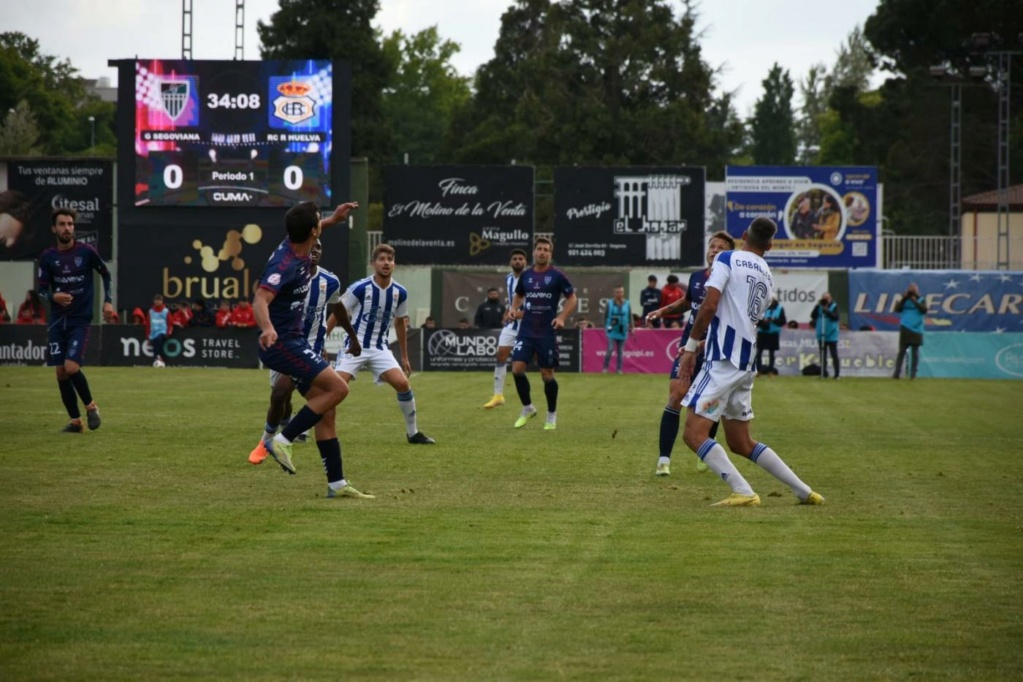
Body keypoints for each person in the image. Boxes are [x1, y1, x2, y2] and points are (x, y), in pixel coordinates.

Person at [678, 217, 824, 507]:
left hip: (723, 361)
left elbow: (710, 305)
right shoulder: (768, 276)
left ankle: (743, 491)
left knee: (694, 434)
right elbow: (743, 318)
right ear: (769, 246)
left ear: (743, 235)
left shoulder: (726, 258)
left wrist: (691, 347)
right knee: (741, 443)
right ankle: (804, 490)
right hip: (746, 362)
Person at [254, 200, 375, 500]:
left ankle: (336, 483)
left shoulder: (298, 244)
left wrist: (334, 218)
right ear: (311, 231)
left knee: (327, 408)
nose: (321, 227)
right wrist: (268, 328)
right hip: (283, 344)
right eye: (319, 222)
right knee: (339, 389)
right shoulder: (284, 265)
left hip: (295, 342)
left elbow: (314, 228)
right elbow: (259, 300)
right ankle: (282, 439)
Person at [250, 239, 355, 464]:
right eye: (312, 246)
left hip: (310, 351)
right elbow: (263, 297)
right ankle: (274, 436)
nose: (315, 250)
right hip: (286, 346)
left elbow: (338, 310)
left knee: (321, 402)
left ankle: (277, 440)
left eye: (320, 247)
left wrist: (352, 338)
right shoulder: (289, 274)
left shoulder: (330, 281)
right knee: (279, 397)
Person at [646, 231, 735, 477]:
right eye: (711, 246)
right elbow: (688, 303)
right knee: (676, 396)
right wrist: (661, 312)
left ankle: (705, 449)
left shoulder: (732, 282)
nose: (714, 250)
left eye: (720, 248)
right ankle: (664, 460)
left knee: (710, 404)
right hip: (688, 346)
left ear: (728, 254)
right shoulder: (697, 277)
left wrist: (706, 342)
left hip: (715, 349)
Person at [332, 243, 435, 445]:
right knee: (334, 388)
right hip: (355, 346)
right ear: (373, 264)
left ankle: (413, 433)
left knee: (403, 384)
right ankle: (305, 430)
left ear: (394, 264)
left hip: (379, 348)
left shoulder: (400, 292)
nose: (386, 263)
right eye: (382, 259)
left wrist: (404, 357)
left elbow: (399, 322)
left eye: (390, 259)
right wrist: (321, 339)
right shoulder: (359, 287)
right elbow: (337, 312)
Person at [36, 207, 115, 433]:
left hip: (79, 320)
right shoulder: (48, 257)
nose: (67, 228)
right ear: (54, 228)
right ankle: (75, 421)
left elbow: (106, 273)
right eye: (62, 224)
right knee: (60, 372)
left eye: (70, 224)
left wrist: (108, 301)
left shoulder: (86, 252)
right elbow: (41, 292)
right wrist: (53, 296)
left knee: (71, 368)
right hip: (56, 320)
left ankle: (91, 407)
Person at [507, 237, 577, 430]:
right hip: (527, 330)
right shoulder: (527, 275)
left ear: (550, 254)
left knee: (547, 375)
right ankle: (528, 408)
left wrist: (562, 317)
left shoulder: (557, 276)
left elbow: (572, 299)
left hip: (546, 331)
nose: (542, 252)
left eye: (546, 249)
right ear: (534, 252)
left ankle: (551, 415)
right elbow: (519, 294)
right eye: (539, 249)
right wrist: (514, 309)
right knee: (517, 369)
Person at [483, 248, 527, 409]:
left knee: (532, 363)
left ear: (525, 262)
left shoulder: (530, 278)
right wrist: (508, 313)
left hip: (527, 325)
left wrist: (521, 313)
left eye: (521, 259)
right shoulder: (508, 278)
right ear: (510, 262)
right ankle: (498, 395)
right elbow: (512, 301)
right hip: (512, 325)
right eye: (515, 259)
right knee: (501, 355)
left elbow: (533, 302)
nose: (517, 261)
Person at [893, 283, 926, 380]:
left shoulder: (921, 300)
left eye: (914, 290)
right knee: (901, 351)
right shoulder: (904, 300)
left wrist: (915, 300)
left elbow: (924, 310)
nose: (912, 292)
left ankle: (913, 374)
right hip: (905, 327)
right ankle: (896, 373)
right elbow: (897, 309)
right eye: (911, 290)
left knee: (915, 353)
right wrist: (904, 298)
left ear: (917, 291)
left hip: (917, 328)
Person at [602, 286, 632, 374]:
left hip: (622, 329)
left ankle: (619, 369)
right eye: (617, 292)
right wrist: (605, 327)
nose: (619, 294)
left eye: (621, 292)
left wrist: (631, 327)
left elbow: (629, 316)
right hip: (612, 329)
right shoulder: (610, 303)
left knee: (620, 351)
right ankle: (605, 368)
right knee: (610, 349)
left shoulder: (627, 303)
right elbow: (605, 316)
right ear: (614, 293)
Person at [811, 292, 840, 379]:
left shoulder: (834, 306)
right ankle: (823, 373)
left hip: (831, 333)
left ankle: (836, 374)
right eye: (824, 298)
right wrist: (817, 306)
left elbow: (836, 317)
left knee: (834, 354)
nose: (825, 300)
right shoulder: (819, 306)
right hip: (821, 333)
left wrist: (827, 310)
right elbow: (813, 316)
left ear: (830, 298)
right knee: (822, 354)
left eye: (826, 299)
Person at [756, 297, 786, 375]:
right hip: (763, 332)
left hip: (773, 333)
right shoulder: (763, 307)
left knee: (771, 353)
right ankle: (759, 370)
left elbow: (783, 321)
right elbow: (757, 319)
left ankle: (770, 371)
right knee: (759, 352)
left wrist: (774, 320)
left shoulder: (780, 308)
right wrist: (763, 321)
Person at [149, 294, 171, 367]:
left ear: (162, 301)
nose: (157, 302)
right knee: (156, 343)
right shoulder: (151, 312)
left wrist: (168, 333)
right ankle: (158, 359)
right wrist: (148, 336)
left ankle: (159, 357)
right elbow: (148, 324)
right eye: (156, 300)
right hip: (153, 332)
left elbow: (169, 322)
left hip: (163, 332)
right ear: (154, 301)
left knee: (158, 339)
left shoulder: (166, 311)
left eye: (159, 300)